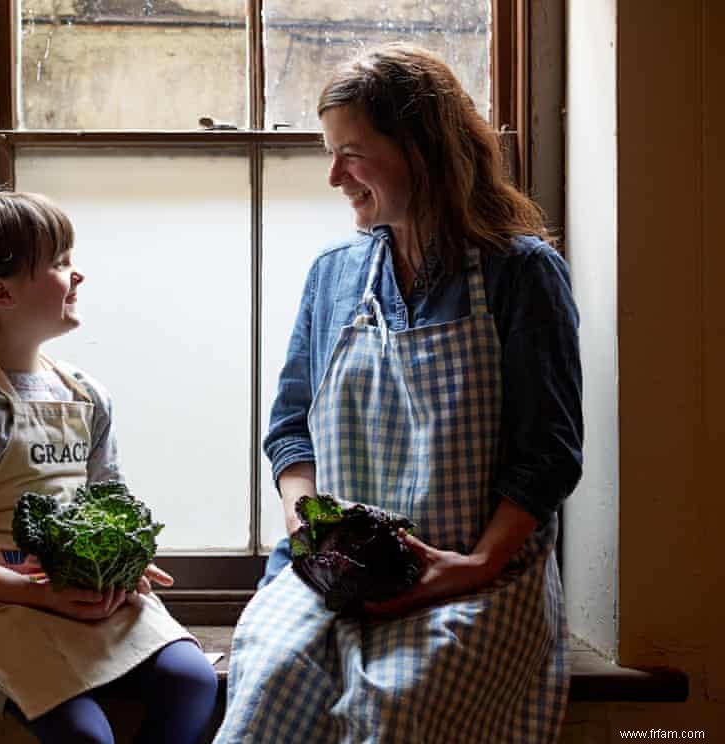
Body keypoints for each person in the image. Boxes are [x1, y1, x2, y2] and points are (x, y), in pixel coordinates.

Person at [216, 43, 583, 743]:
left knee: (400, 709)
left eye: (350, 152)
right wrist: (306, 526)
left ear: (423, 148)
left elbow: (549, 455)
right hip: (332, 575)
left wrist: (472, 565)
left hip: (475, 579)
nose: (333, 176)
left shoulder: (521, 273)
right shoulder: (334, 276)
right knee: (265, 689)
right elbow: (290, 428)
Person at [0, 189, 218, 744]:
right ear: (2, 293)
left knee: (192, 680)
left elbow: (110, 507)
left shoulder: (87, 394)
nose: (78, 276)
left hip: (81, 597)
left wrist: (126, 567)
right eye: (61, 263)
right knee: (86, 736)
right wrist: (39, 594)